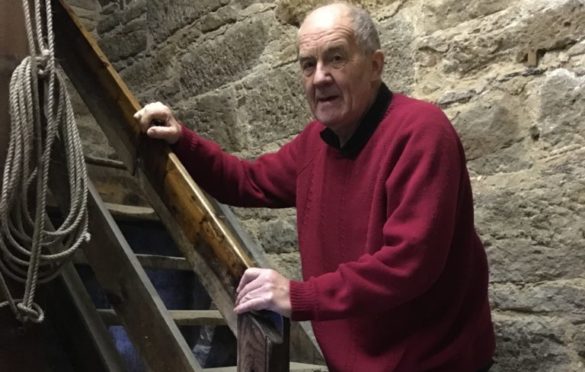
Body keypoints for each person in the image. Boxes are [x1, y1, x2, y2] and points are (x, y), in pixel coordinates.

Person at [134, 2, 495, 371]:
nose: (320, 77)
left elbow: (409, 264)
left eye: (336, 58)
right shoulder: (316, 142)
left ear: (375, 65)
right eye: (308, 64)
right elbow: (248, 181)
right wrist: (182, 140)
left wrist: (298, 295)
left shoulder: (422, 131)